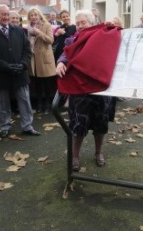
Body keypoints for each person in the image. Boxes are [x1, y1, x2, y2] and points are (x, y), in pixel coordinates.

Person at [56, 10, 116, 171]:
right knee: (78, 124)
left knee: (100, 124)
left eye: (84, 22)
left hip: (100, 89)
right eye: (79, 23)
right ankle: (75, 156)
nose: (81, 26)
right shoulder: (71, 39)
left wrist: (110, 27)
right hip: (80, 89)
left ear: (92, 23)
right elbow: (65, 54)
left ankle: (98, 152)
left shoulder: (101, 35)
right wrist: (61, 62)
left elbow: (114, 40)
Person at [0, 4, 41, 138]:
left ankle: (27, 126)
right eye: (3, 14)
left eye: (8, 14)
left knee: (24, 100)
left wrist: (24, 64)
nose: (6, 17)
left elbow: (27, 50)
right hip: (0, 73)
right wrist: (5, 66)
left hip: (20, 72)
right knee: (2, 102)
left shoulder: (19, 30)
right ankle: (5, 126)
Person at [26, 7, 57, 114]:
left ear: (39, 15)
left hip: (44, 57)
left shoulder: (47, 25)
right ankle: (39, 104)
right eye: (31, 15)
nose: (34, 17)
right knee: (37, 83)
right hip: (34, 58)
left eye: (35, 15)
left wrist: (39, 33)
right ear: (29, 17)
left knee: (47, 83)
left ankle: (48, 104)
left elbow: (50, 40)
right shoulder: (29, 27)